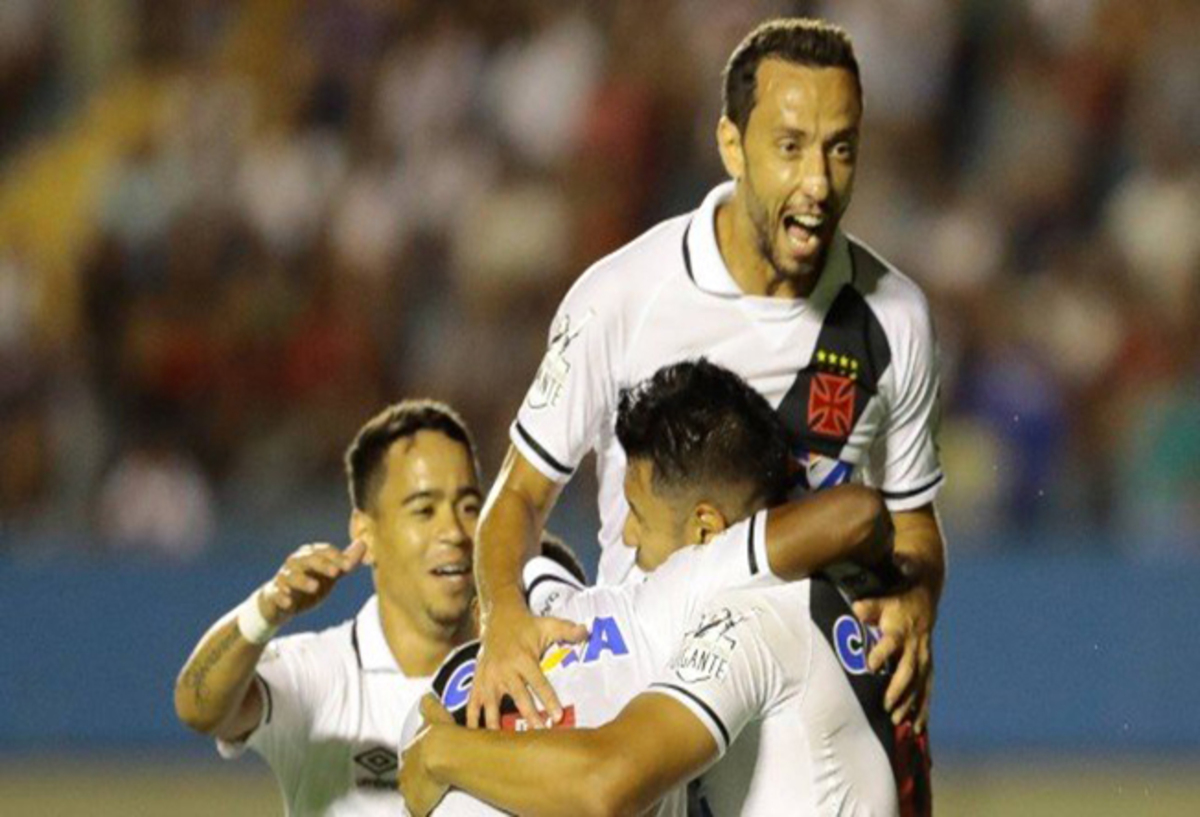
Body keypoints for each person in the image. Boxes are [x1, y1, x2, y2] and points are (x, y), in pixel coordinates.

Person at [470, 17, 947, 735]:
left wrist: (915, 597)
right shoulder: (621, 298)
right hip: (655, 702)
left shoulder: (895, 316)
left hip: (811, 716)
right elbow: (520, 495)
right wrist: (504, 615)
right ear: (732, 145)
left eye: (839, 149)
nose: (817, 182)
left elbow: (911, 522)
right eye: (790, 148)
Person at [399, 361, 915, 816]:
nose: (626, 535)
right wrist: (505, 610)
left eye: (639, 517)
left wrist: (438, 752)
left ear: (707, 533)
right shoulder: (727, 604)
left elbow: (607, 785)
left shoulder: (750, 616)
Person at [174, 400, 486, 816]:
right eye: (424, 510)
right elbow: (198, 707)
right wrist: (266, 611)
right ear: (365, 531)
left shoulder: (522, 671)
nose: (454, 531)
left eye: (469, 507)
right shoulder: (322, 674)